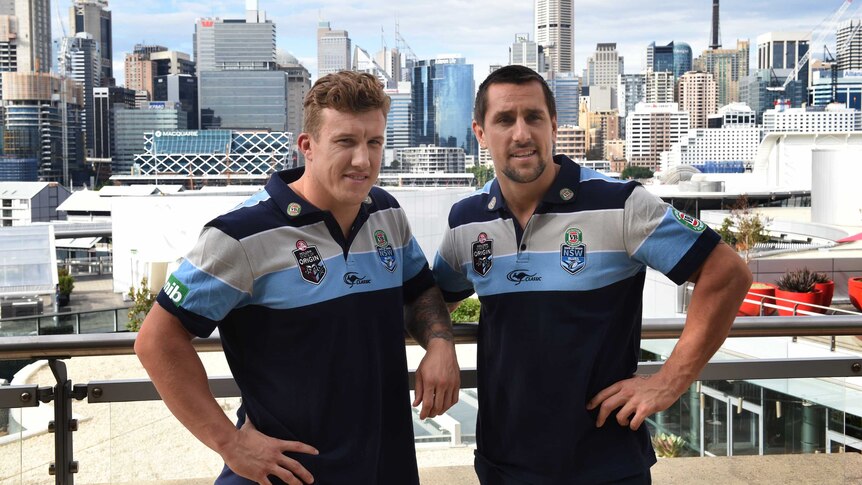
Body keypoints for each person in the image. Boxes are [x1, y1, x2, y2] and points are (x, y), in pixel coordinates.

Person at [135, 71, 460, 485]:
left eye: (374, 142)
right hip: (290, 474)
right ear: (307, 145)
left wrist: (440, 343)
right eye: (346, 142)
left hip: (384, 464)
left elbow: (419, 289)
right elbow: (156, 340)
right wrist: (229, 444)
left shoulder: (386, 213)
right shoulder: (240, 235)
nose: (363, 159)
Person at [432, 65, 752, 484]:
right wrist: (439, 345)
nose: (521, 133)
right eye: (504, 120)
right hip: (504, 463)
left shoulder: (619, 202)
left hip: (606, 464)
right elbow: (432, 301)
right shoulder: (466, 220)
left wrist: (670, 381)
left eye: (534, 118)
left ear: (554, 126)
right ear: (479, 132)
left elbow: (728, 273)